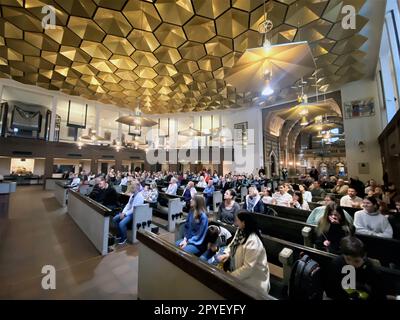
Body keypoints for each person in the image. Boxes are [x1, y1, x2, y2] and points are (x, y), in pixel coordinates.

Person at [218, 211, 271, 296]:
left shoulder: (253, 241)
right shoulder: (240, 231)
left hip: (254, 280)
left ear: (244, 222)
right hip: (240, 271)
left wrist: (231, 276)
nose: (235, 222)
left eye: (237, 220)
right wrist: (227, 253)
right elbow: (233, 243)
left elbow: (248, 268)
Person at [324, 236, 386, 300]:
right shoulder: (336, 264)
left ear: (364, 256)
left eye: (356, 261)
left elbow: (379, 294)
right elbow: (331, 290)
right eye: (348, 259)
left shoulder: (371, 269)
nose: (351, 263)